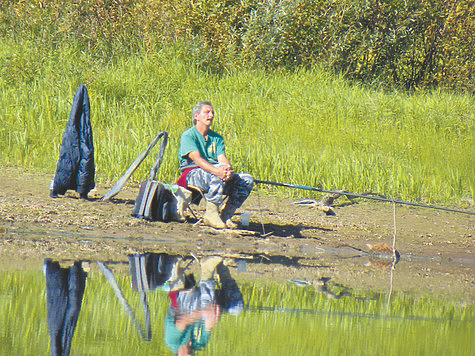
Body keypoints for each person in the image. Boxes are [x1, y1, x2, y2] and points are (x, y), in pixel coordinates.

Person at [178, 101, 254, 229]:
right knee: (217, 171)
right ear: (196, 116)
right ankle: (211, 214)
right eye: (207, 112)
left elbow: (222, 158)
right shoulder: (188, 135)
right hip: (192, 173)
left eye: (212, 112)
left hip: (215, 173)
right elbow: (196, 159)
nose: (211, 115)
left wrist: (227, 169)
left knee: (246, 179)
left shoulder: (217, 138)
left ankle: (226, 215)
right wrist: (217, 170)